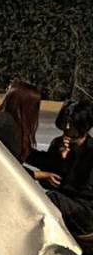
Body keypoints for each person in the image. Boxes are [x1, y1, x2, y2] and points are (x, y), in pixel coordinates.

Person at [39, 99, 93, 242]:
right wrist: (60, 159)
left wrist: (68, 161)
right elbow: (49, 181)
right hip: (67, 205)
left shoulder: (90, 152)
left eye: (72, 124)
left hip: (85, 210)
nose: (67, 127)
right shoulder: (58, 144)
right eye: (65, 122)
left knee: (53, 198)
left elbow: (85, 190)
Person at [0, 79, 54, 181]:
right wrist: (41, 175)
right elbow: (9, 167)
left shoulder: (6, 121)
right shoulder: (7, 125)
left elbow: (25, 153)